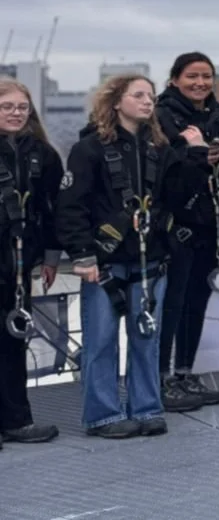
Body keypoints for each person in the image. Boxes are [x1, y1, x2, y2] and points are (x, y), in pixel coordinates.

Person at [59, 73, 173, 438]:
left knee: (146, 337)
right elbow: (72, 206)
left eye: (151, 96)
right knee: (101, 340)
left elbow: (176, 196)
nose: (147, 101)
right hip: (105, 263)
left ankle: (147, 408)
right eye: (138, 95)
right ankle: (103, 414)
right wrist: (83, 255)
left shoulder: (159, 149)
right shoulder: (89, 150)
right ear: (116, 101)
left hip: (149, 261)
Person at [155, 52, 219, 411]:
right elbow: (162, 169)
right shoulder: (161, 117)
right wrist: (195, 155)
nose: (200, 83)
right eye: (192, 76)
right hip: (175, 225)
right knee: (171, 304)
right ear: (175, 79)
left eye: (206, 76)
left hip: (211, 223)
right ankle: (158, 379)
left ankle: (185, 372)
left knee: (197, 301)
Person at [0, 78, 62, 446]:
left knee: (13, 341)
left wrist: (51, 256)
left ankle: (17, 420)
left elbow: (54, 210)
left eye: (22, 107)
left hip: (19, 264)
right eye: (7, 106)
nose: (16, 113)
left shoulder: (43, 155)